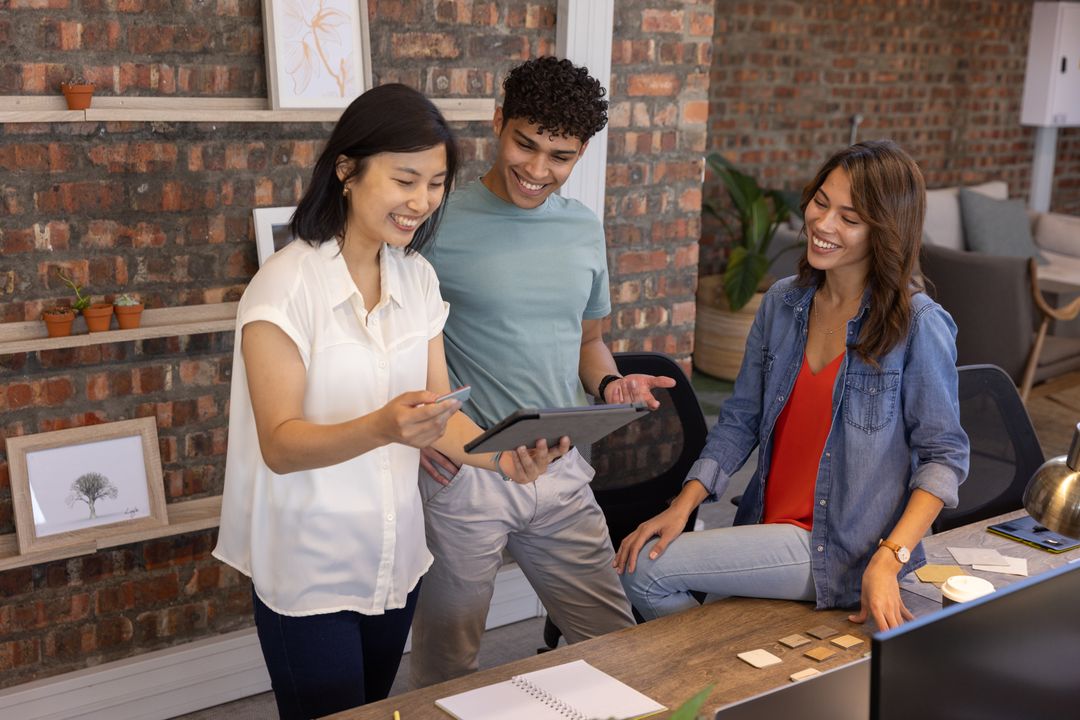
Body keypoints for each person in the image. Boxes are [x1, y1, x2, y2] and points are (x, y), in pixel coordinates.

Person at [212, 84, 561, 719]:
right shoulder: (284, 286)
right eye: (405, 180)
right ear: (347, 169)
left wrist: (503, 461)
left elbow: (438, 416)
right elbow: (281, 446)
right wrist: (382, 426)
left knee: (373, 710)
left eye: (435, 184)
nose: (422, 202)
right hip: (309, 564)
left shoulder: (417, 279)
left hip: (395, 559)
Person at [615, 140, 970, 632]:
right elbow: (738, 421)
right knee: (667, 580)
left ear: (884, 231)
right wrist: (682, 507)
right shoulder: (782, 304)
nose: (823, 225)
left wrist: (890, 558)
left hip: (841, 550)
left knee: (648, 572)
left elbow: (943, 457)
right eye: (821, 202)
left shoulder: (918, 325)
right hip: (765, 529)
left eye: (850, 218)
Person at [409, 56, 677, 688]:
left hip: (559, 466)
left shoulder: (583, 229)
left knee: (617, 647)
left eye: (559, 156)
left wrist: (613, 384)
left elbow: (589, 341)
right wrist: (420, 431)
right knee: (449, 668)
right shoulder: (435, 222)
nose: (536, 169)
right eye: (524, 145)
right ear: (498, 123)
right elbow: (395, 341)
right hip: (467, 474)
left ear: (581, 153)